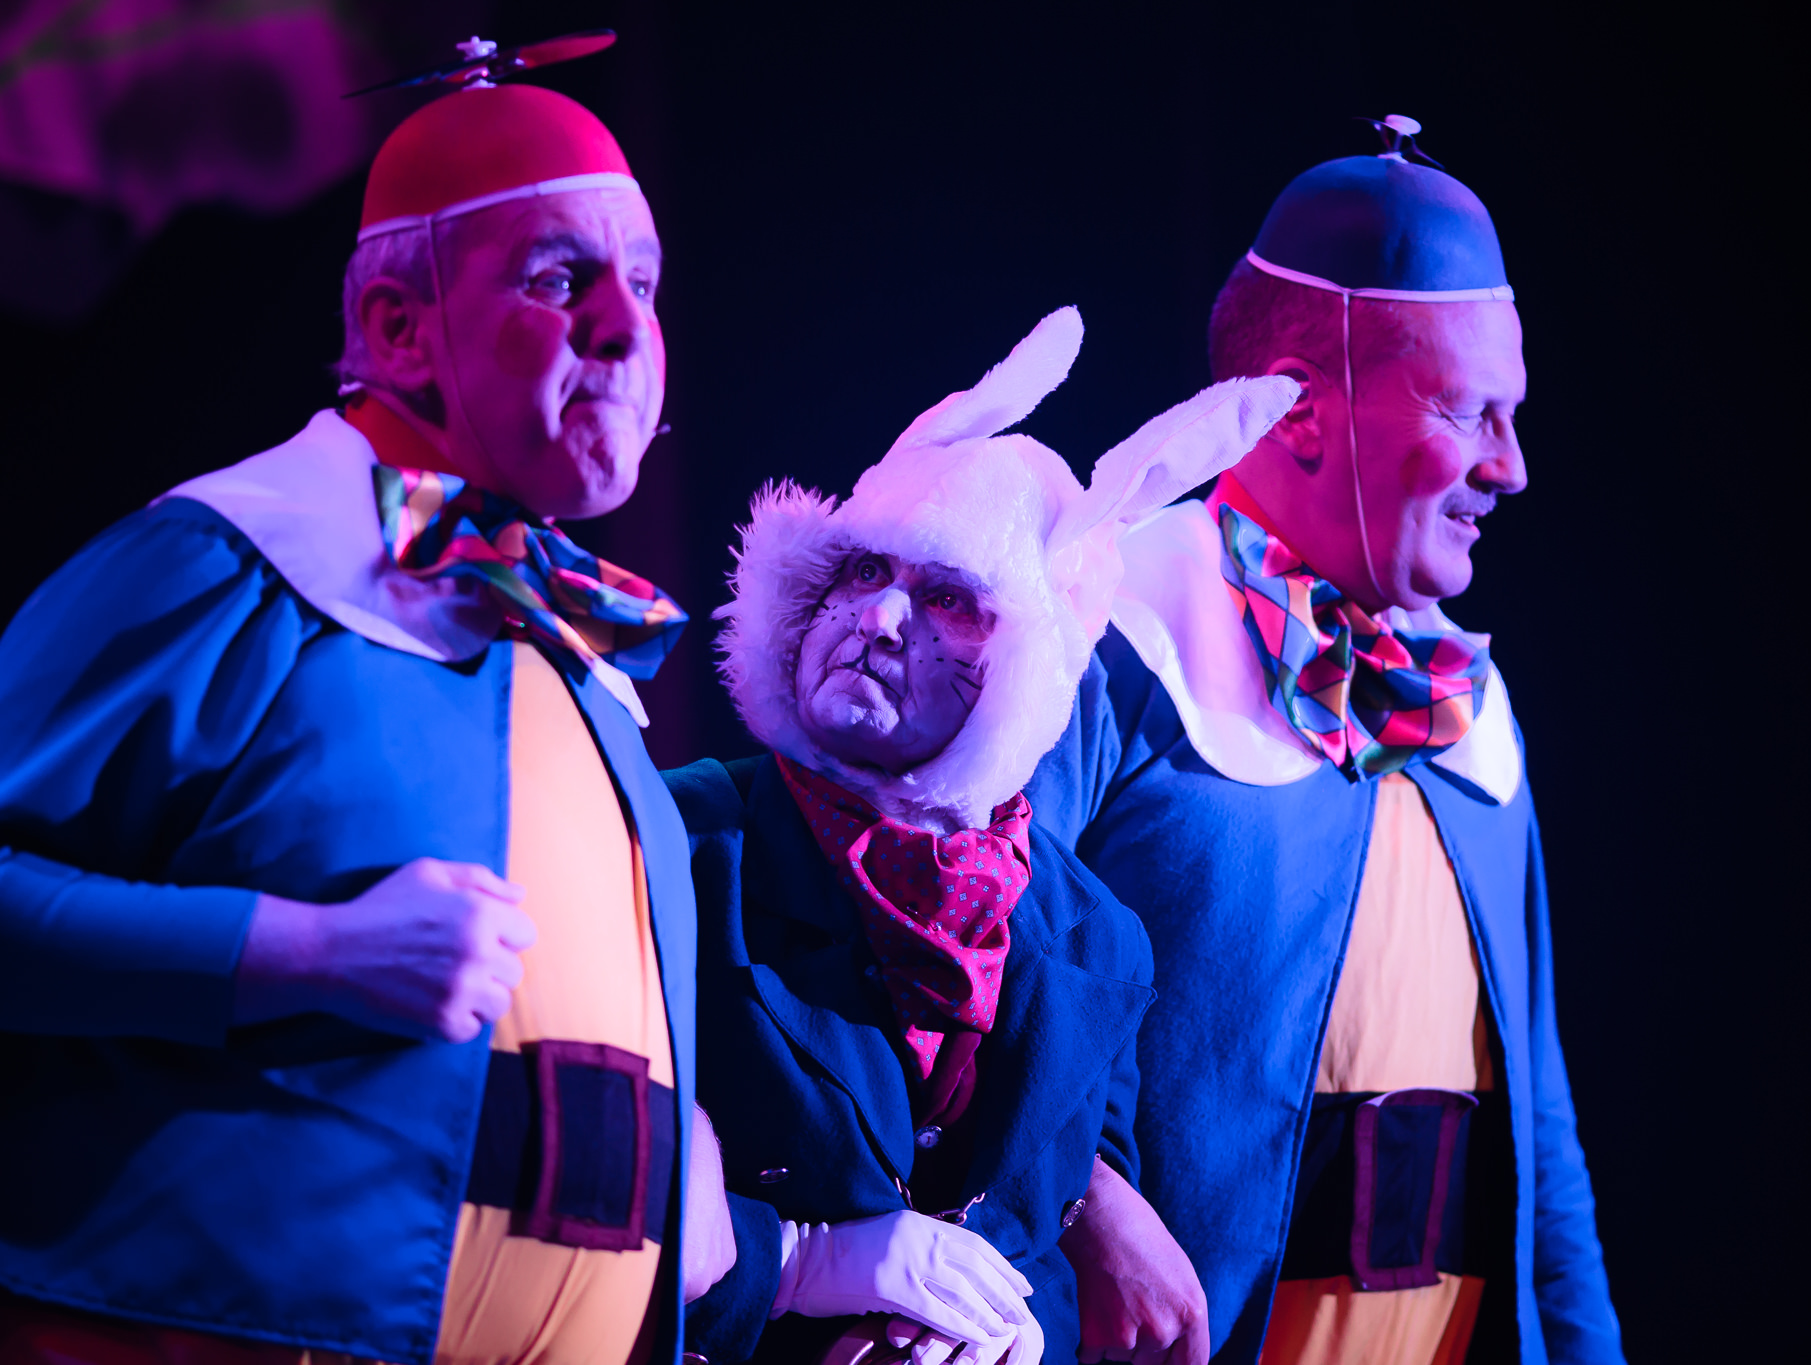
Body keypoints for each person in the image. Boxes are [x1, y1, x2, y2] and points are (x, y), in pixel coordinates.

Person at [0, 68, 733, 1365]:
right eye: (559, 278)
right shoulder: (230, 566)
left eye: (646, 280)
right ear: (399, 329)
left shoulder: (580, 665)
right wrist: (300, 951)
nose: (629, 328)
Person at [1026, 129, 1626, 1365]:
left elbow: (1541, 1139)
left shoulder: (1468, 710)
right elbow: (954, 981)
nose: (1510, 467)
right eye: (1468, 410)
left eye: (1512, 415)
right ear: (1300, 407)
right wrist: (1084, 1195)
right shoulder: (1110, 636)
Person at [669, 308, 1297, 1365]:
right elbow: (585, 1186)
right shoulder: (684, 842)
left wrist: (1008, 1335)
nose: (877, 620)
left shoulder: (1093, 937)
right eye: (863, 571)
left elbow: (1061, 1245)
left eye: (947, 597)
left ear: (1030, 666)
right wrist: (798, 1266)